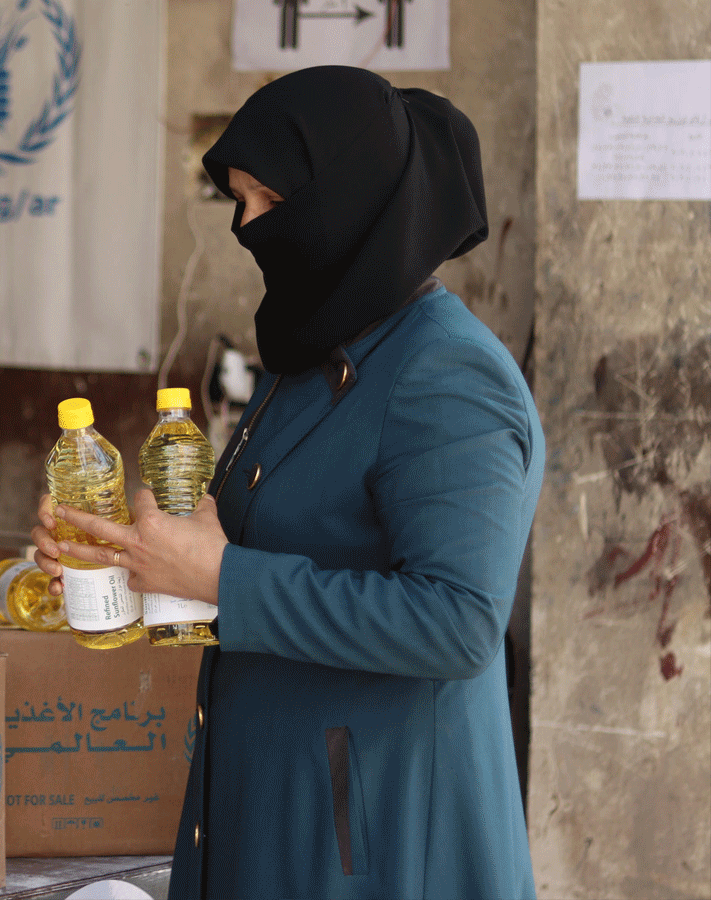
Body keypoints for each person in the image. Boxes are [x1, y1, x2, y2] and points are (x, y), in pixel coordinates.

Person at [32, 67, 542, 899]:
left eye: (270, 199)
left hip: (376, 842)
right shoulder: (314, 355)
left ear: (350, 196)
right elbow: (253, 547)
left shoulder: (446, 375)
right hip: (271, 805)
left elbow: (458, 622)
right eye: (239, 200)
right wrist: (131, 555)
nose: (248, 226)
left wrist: (219, 576)